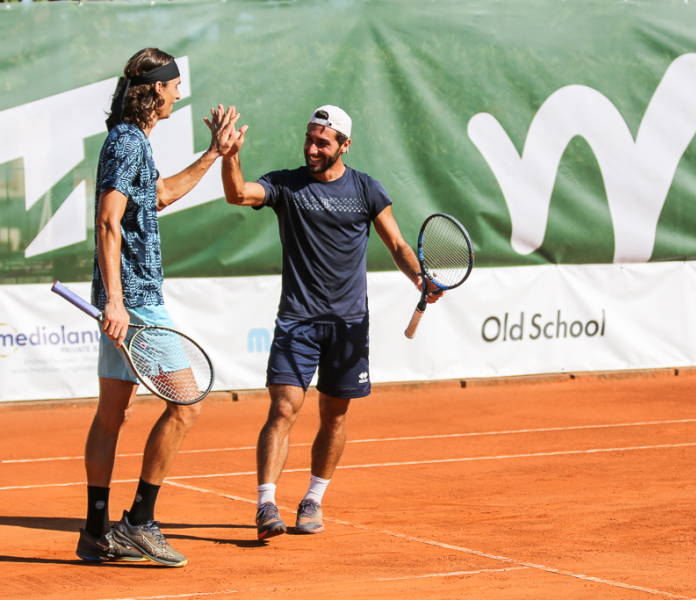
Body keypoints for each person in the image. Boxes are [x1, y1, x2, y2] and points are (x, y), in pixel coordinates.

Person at [217, 104, 441, 541]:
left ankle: (313, 499)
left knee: (334, 417)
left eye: (323, 142)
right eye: (309, 139)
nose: (312, 148)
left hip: (349, 325)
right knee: (283, 408)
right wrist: (230, 156)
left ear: (344, 145)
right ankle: (265, 503)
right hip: (297, 321)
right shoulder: (286, 185)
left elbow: (395, 243)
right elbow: (238, 194)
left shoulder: (367, 190)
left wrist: (419, 277)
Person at [75, 48, 243, 567]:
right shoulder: (128, 143)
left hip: (127, 299)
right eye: (173, 87)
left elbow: (161, 195)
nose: (177, 95)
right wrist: (120, 301)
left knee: (112, 415)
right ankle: (140, 521)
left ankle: (95, 531)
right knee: (187, 406)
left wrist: (214, 154)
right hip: (138, 302)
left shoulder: (130, 142)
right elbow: (108, 221)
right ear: (155, 91)